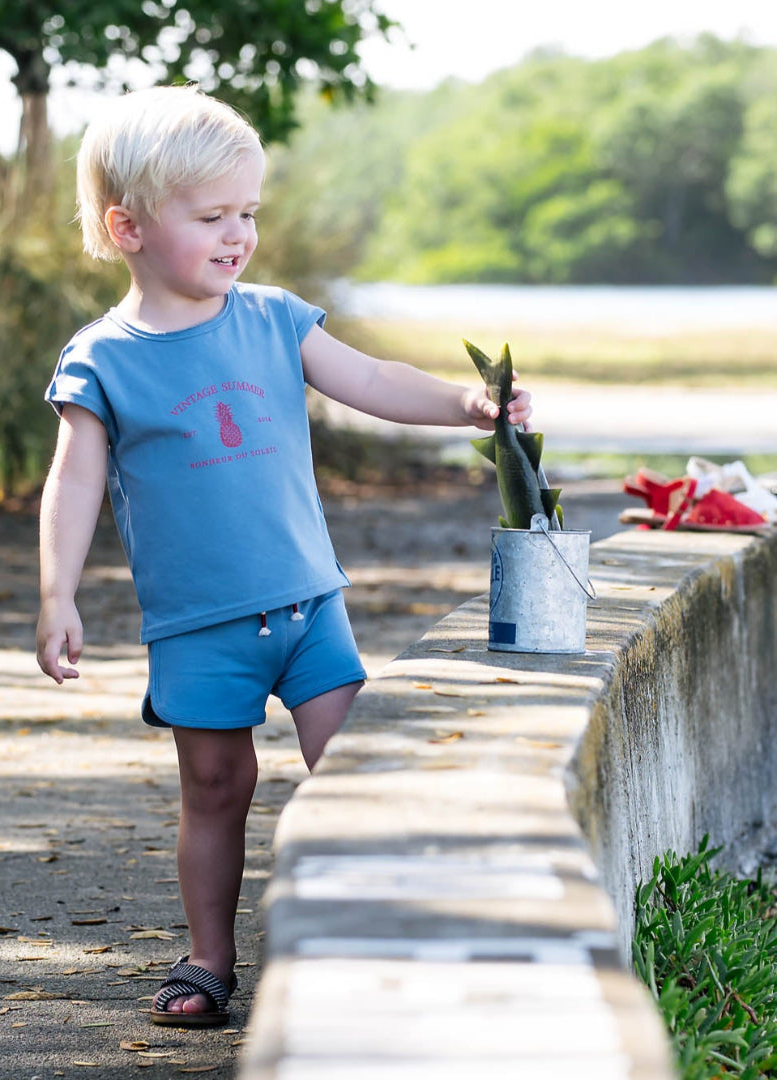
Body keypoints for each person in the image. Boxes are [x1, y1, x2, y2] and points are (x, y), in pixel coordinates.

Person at [35, 84, 532, 1027]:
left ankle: (367, 938)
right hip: (197, 627)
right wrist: (56, 593)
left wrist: (464, 407)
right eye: (212, 216)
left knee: (346, 765)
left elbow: (373, 381)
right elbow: (74, 485)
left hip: (309, 607)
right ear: (127, 226)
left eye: (249, 213)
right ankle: (210, 960)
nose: (238, 235)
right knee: (216, 788)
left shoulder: (272, 318)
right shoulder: (102, 359)